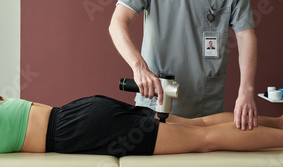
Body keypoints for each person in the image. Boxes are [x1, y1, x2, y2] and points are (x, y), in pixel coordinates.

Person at [0, 87, 283, 165]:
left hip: (85, 131)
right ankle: (282, 119)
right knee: (195, 123)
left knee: (199, 141)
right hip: (84, 114)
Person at [109, 0, 259, 130]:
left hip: (206, 104)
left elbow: (245, 35)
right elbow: (117, 23)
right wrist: (139, 67)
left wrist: (247, 91)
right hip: (157, 101)